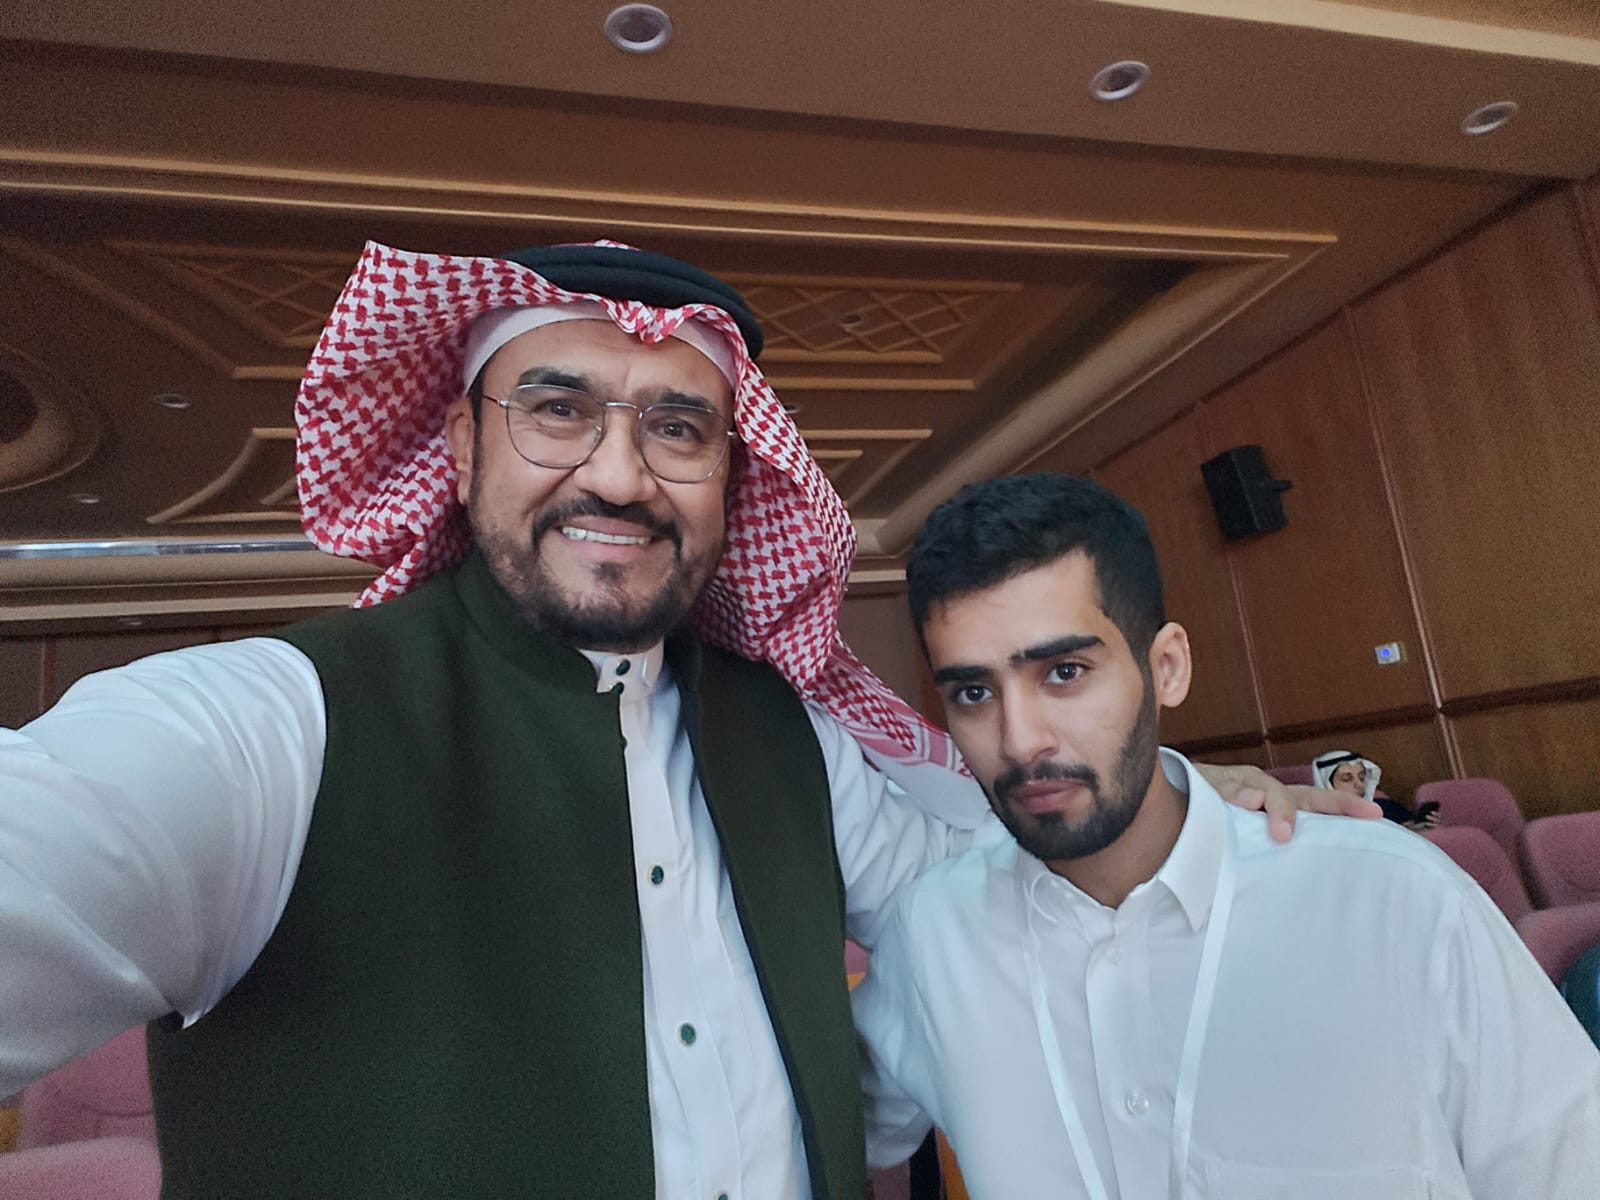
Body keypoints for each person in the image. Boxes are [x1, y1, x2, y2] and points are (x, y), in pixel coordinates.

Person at [1, 242, 1341, 1199]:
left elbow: (994, 899)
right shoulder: (271, 732)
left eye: (679, 428)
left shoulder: (791, 741)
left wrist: (1174, 800)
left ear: (728, 476)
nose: (620, 475)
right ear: (459, 449)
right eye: (557, 409)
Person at [852, 472, 1600, 1200]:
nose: (1018, 740)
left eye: (1065, 672)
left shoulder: (1394, 901)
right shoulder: (932, 936)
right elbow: (824, 1134)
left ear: (1167, 668)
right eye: (973, 692)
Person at [1313, 748, 1439, 829]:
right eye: (1347, 779)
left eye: (1361, 778)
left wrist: (1428, 826)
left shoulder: (1386, 808)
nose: (1359, 785)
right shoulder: (1317, 823)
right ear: (1326, 784)